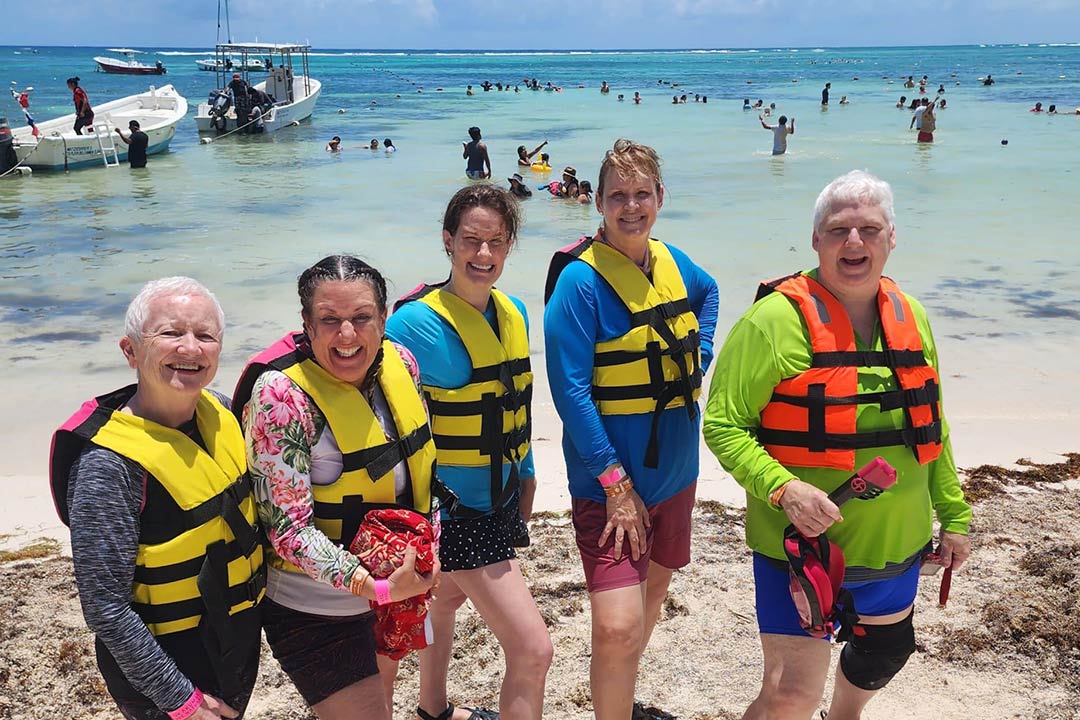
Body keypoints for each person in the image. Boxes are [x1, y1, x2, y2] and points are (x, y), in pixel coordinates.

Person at [702, 170, 972, 720]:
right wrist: (784, 489)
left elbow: (931, 426)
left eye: (869, 229)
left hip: (896, 549)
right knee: (788, 696)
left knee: (886, 651)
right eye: (838, 229)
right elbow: (722, 424)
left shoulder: (911, 316)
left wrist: (955, 514)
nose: (854, 242)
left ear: (891, 238)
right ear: (816, 239)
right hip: (800, 554)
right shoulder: (772, 321)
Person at [543, 139, 719, 720]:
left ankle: (615, 697)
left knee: (651, 599)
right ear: (597, 201)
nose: (631, 206)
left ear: (660, 198)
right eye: (617, 195)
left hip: (676, 474)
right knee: (617, 629)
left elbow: (710, 291)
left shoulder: (674, 262)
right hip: (609, 486)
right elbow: (569, 392)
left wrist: (704, 352)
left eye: (642, 193)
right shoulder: (580, 283)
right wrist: (616, 486)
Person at [234, 256, 440, 720]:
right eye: (330, 320)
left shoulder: (402, 365)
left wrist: (428, 554)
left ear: (384, 319)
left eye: (362, 318)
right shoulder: (281, 397)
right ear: (306, 324)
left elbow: (425, 474)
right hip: (314, 609)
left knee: (381, 705)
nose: (347, 335)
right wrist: (377, 587)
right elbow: (287, 531)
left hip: (395, 592)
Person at [49, 277, 265, 720]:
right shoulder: (108, 466)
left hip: (233, 642)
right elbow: (105, 607)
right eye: (170, 333)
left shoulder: (222, 410)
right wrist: (181, 702)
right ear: (130, 351)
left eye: (205, 335)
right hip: (163, 670)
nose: (190, 348)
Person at [388, 185, 554, 720]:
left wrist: (527, 477)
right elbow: (386, 423)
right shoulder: (411, 324)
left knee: (446, 599)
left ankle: (432, 709)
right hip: (452, 510)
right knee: (534, 649)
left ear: (509, 247)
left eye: (496, 242)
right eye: (471, 240)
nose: (483, 255)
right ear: (447, 241)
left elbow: (517, 406)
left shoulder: (515, 313)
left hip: (502, 498)